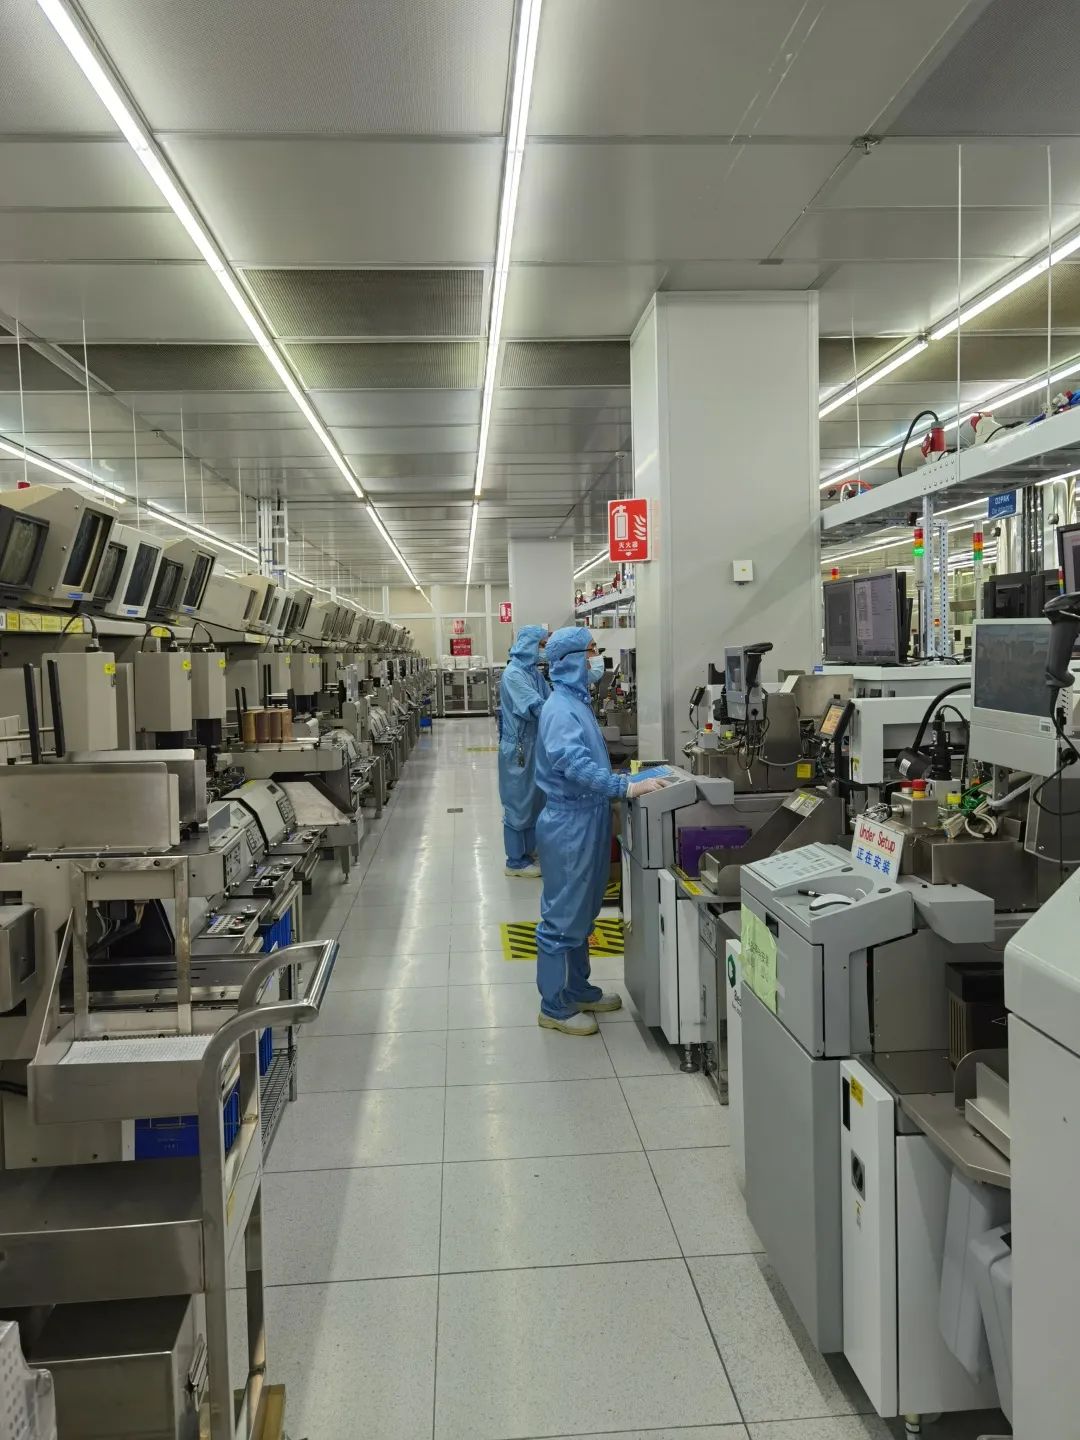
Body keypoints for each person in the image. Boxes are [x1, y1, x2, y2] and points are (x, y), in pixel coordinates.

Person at [534, 626, 667, 1034]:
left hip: (587, 817)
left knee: (583, 912)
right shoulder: (560, 709)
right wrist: (623, 787)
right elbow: (572, 765)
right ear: (571, 660)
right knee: (563, 917)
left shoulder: (576, 702)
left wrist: (635, 778)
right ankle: (553, 1006)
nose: (597, 660)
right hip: (569, 824)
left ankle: (578, 989)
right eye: (591, 652)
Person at [498, 624, 551, 878]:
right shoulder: (514, 674)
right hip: (519, 747)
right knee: (519, 802)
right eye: (542, 645)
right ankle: (515, 861)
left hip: (534, 742)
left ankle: (529, 851)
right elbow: (536, 706)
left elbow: (550, 699)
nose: (544, 650)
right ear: (529, 645)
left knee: (535, 801)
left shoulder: (533, 673)